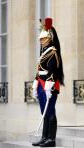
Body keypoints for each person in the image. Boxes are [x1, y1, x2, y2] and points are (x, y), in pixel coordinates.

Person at [32, 18, 64, 147]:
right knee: (44, 111)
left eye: (43, 39)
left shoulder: (53, 52)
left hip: (49, 85)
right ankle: (44, 137)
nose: (41, 41)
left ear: (49, 39)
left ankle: (51, 139)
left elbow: (53, 70)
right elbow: (40, 69)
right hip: (41, 83)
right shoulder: (44, 52)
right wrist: (35, 84)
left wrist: (49, 86)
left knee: (50, 111)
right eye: (40, 39)